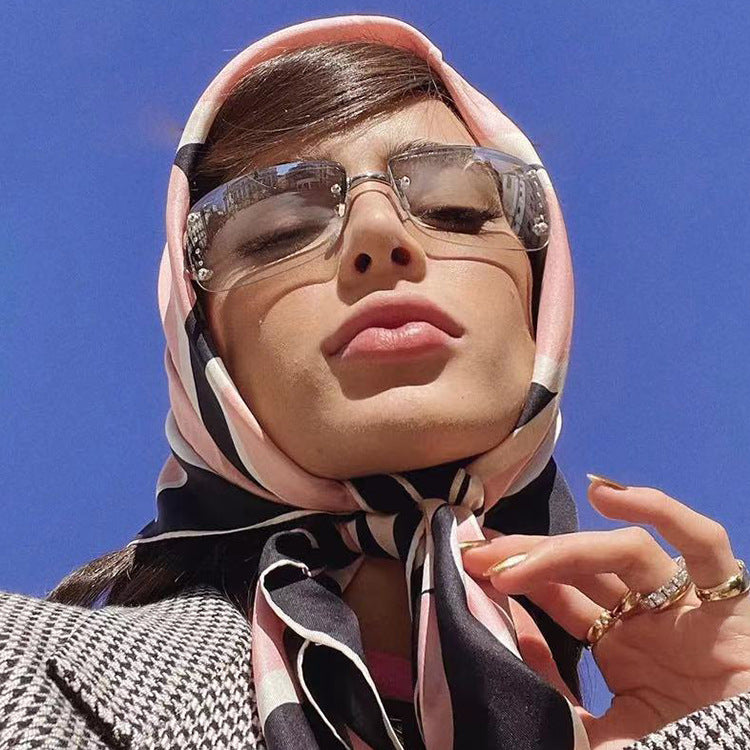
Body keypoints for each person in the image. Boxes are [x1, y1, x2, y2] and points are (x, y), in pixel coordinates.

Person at [1, 14, 749, 750]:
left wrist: (712, 727)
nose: (379, 235)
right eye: (278, 230)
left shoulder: (695, 712)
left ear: (541, 302)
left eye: (457, 208)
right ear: (201, 347)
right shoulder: (24, 676)